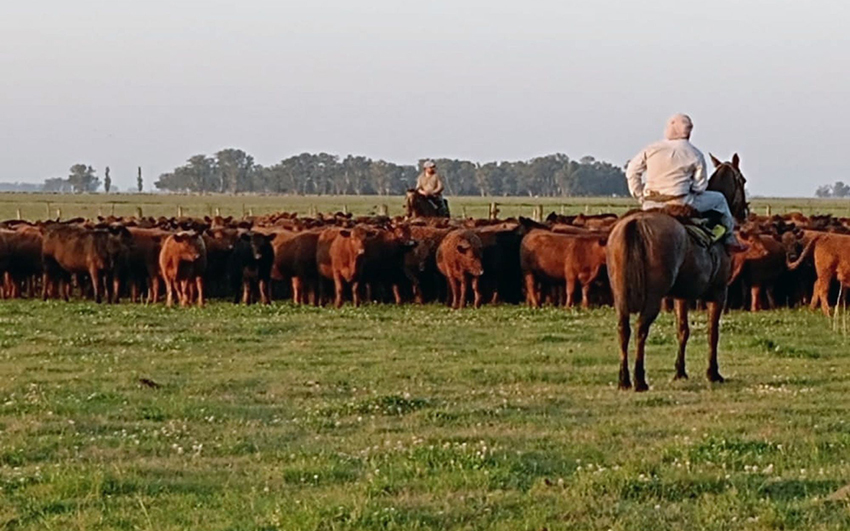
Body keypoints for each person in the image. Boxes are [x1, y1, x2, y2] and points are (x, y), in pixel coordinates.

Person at [625, 114, 748, 252]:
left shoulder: (651, 149)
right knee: (720, 199)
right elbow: (700, 187)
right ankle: (729, 239)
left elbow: (632, 171)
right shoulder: (695, 153)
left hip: (650, 203)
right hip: (682, 202)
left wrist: (639, 194)